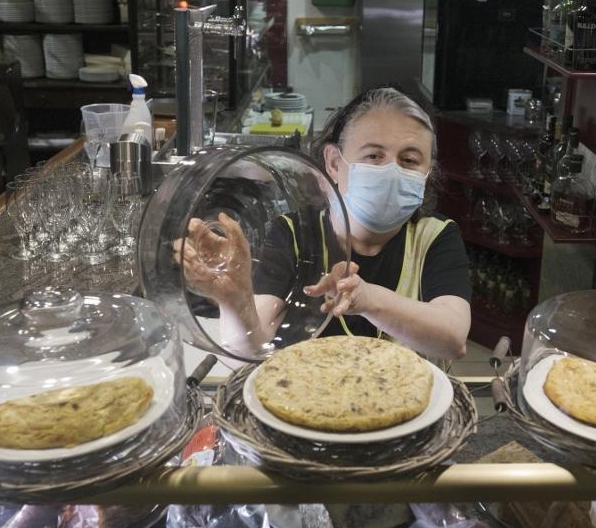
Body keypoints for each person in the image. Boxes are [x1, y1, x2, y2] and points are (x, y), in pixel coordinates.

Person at [176, 87, 472, 359]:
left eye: (409, 160)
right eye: (373, 155)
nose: (391, 171)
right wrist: (234, 298)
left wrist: (367, 299)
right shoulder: (294, 234)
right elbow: (249, 350)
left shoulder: (435, 237)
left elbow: (453, 339)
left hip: (412, 409)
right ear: (333, 163)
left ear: (427, 172)